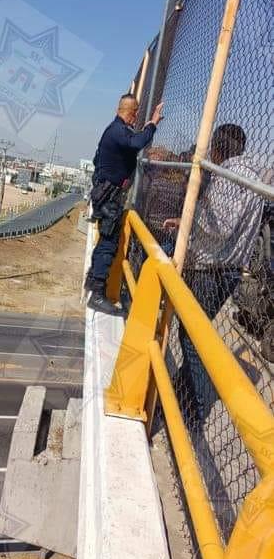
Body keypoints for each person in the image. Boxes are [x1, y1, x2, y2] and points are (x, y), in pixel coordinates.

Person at [163, 123, 264, 419]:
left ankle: (193, 406)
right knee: (195, 333)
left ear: (218, 149)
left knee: (191, 337)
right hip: (226, 267)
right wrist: (185, 223)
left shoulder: (232, 174)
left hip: (212, 268)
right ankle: (184, 390)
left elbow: (219, 226)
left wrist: (193, 205)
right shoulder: (251, 174)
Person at [85, 93, 164, 314]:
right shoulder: (118, 131)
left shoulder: (116, 130)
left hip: (108, 195)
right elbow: (137, 142)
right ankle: (97, 294)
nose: (136, 118)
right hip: (109, 198)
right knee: (108, 245)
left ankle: (94, 285)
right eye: (136, 113)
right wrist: (153, 124)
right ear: (131, 112)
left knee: (106, 242)